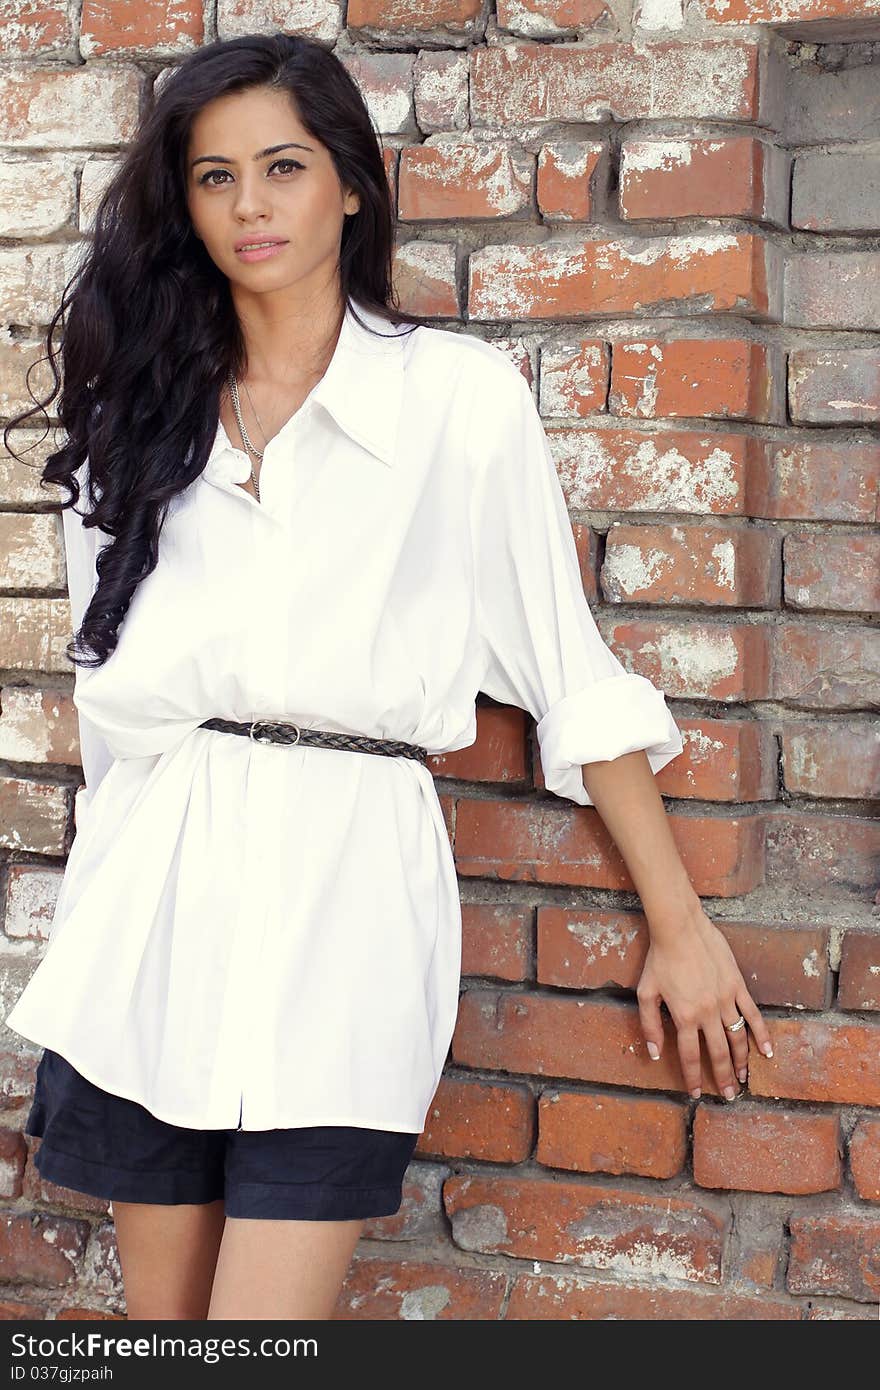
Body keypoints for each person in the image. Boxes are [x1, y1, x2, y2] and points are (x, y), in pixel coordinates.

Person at [3, 32, 772, 1321]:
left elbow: (566, 676)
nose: (250, 205)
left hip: (345, 912)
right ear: (180, 204)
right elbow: (111, 706)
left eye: (285, 167)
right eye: (213, 177)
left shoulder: (453, 402)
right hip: (153, 915)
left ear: (349, 184)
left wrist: (681, 923)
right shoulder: (141, 416)